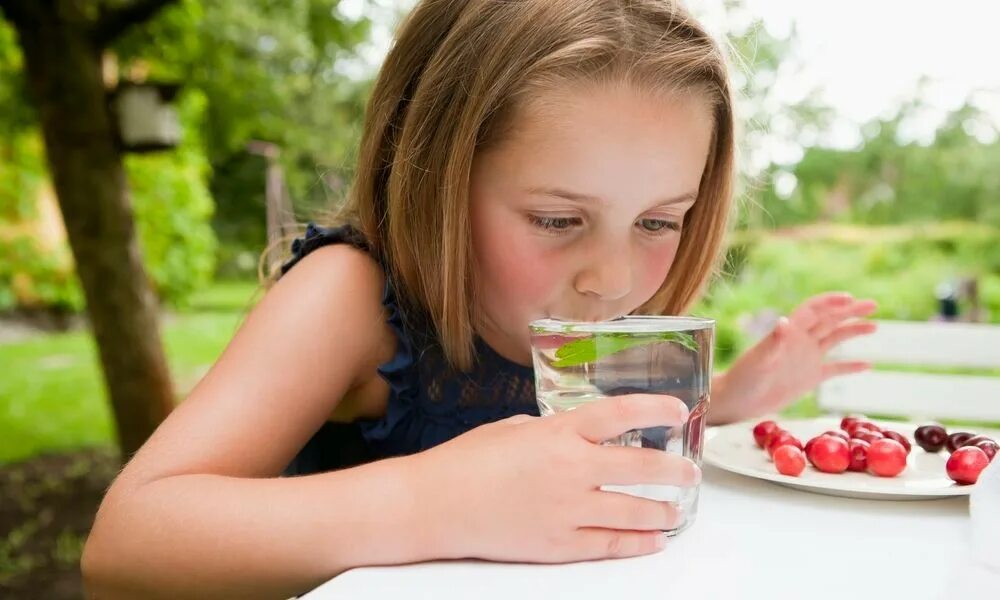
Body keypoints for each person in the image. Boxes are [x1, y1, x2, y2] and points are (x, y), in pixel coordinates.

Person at [82, 0, 877, 597]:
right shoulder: (350, 297)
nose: (612, 275)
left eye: (659, 220)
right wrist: (435, 501)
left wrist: (732, 400)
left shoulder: (594, 319)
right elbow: (127, 545)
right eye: (557, 219)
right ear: (436, 173)